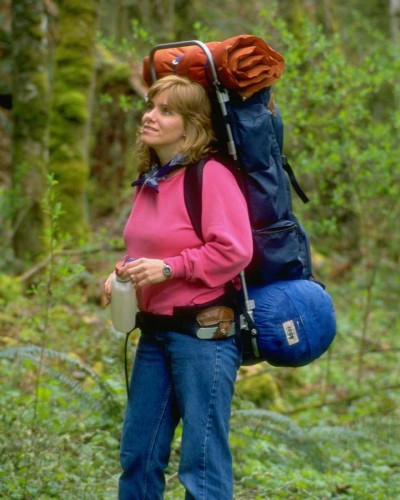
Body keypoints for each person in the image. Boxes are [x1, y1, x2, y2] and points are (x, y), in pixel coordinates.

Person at [104, 74, 253, 499]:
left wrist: (169, 270)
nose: (150, 116)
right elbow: (149, 247)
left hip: (204, 335)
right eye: (151, 106)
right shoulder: (153, 178)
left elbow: (234, 250)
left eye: (166, 111)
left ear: (190, 126)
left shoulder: (211, 176)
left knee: (201, 465)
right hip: (154, 333)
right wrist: (122, 271)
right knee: (138, 455)